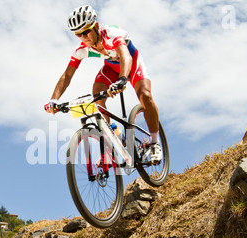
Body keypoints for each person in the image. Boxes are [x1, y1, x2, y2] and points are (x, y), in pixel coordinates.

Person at [44, 5, 162, 163]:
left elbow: (125, 56)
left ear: (96, 27)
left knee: (145, 96)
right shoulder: (82, 49)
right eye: (79, 34)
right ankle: (113, 134)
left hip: (131, 63)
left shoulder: (112, 34)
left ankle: (154, 143)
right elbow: (67, 75)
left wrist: (122, 80)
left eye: (86, 31)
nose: (84, 37)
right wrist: (53, 100)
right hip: (111, 68)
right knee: (97, 94)